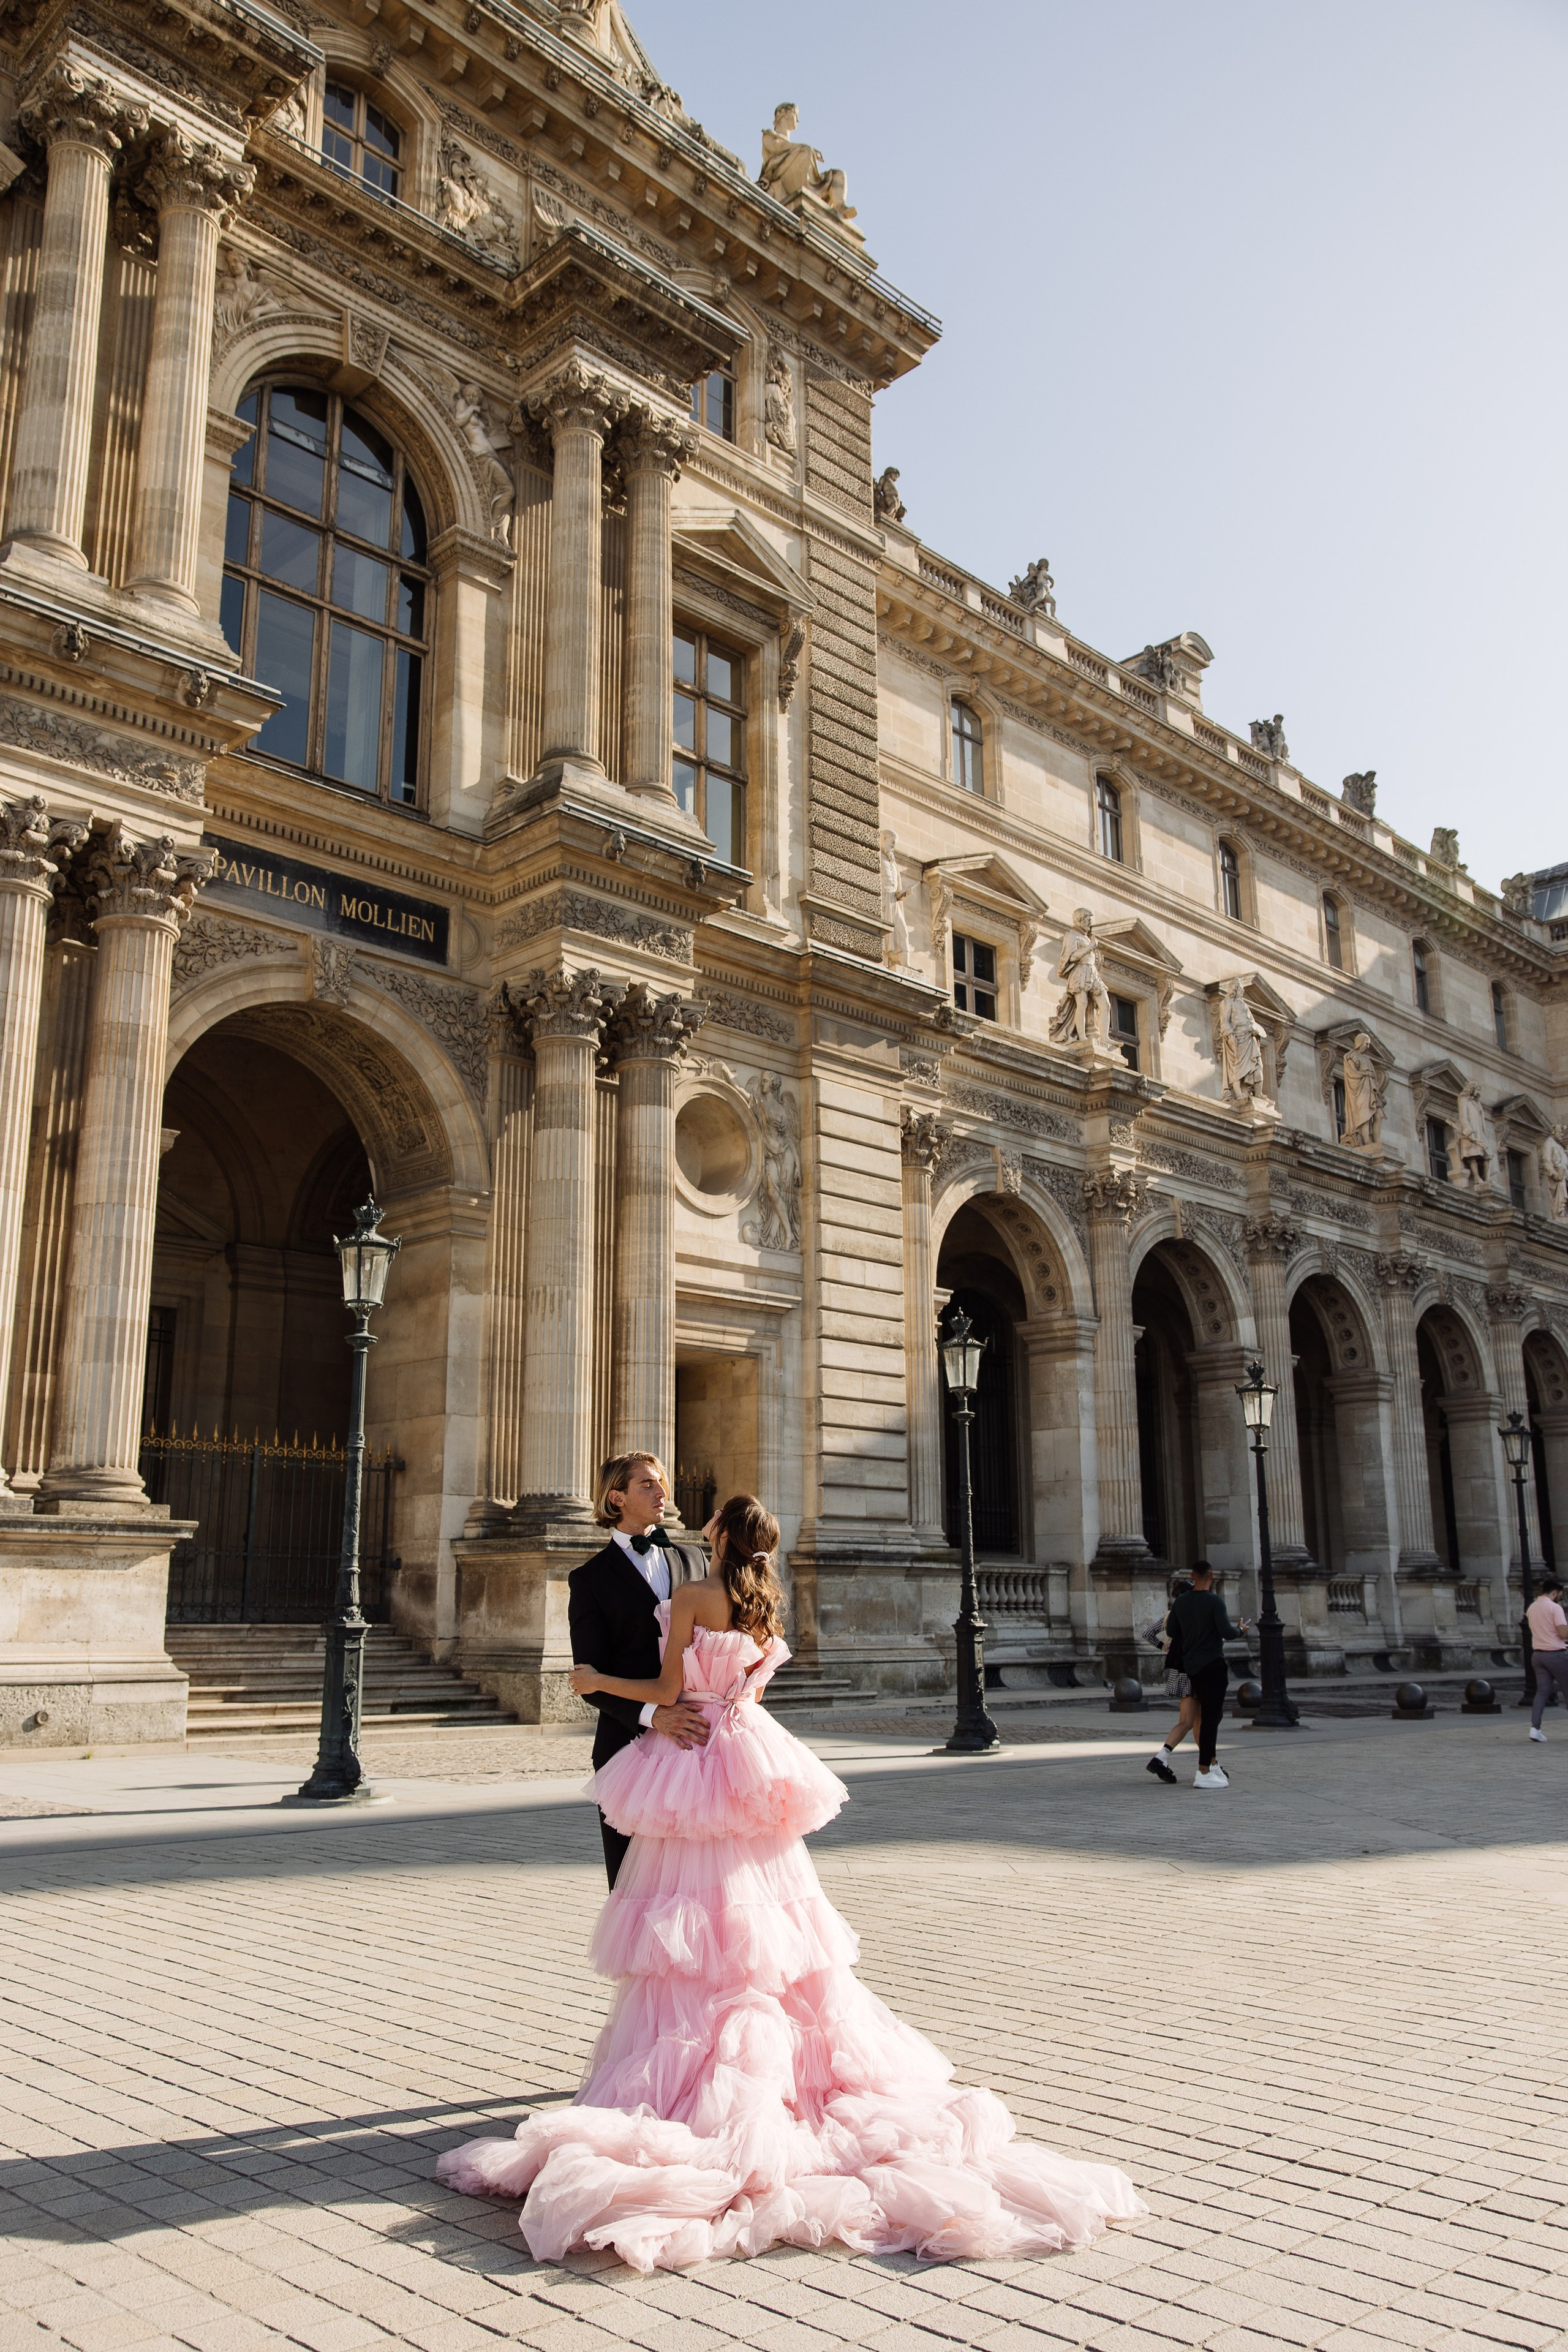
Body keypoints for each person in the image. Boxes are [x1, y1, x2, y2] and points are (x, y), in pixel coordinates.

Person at [438, 1493, 1144, 2272]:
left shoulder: (690, 1595)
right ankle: (781, 2068)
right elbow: (750, 1693)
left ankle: (695, 2070)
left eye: (708, 1519)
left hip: (689, 1761)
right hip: (748, 1758)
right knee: (770, 1916)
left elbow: (672, 1695)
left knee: (688, 1924)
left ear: (717, 1536)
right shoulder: (763, 1601)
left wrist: (592, 1677)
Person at [567, 1452, 710, 1889]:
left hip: (694, 1744)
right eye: (647, 1484)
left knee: (694, 1882)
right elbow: (588, 1680)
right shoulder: (589, 1579)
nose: (661, 1492)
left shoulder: (694, 1561)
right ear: (617, 1498)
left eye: (661, 1482)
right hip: (626, 1747)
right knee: (634, 1886)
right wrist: (653, 1715)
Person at [1159, 1562, 1248, 1789]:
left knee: (1204, 1719)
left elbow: (1171, 1632)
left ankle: (1211, 1768)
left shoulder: (1181, 1601)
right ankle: (1204, 1771)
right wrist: (1241, 1630)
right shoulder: (1215, 1601)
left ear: (1192, 1576)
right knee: (1211, 1718)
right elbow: (1227, 1633)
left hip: (1191, 1666)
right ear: (1211, 1576)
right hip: (1212, 1664)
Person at [1145, 1577, 1196, 1782]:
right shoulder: (1192, 1615)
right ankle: (1210, 1765)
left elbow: (1147, 1633)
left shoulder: (1169, 1616)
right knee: (1192, 1721)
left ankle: (1211, 1764)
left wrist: (1164, 1647)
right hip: (1193, 1670)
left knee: (1191, 1721)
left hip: (1177, 1671)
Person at [1526, 1575, 1568, 1741]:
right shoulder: (1555, 1608)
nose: (1561, 1598)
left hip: (1538, 1655)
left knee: (1542, 1692)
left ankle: (1535, 1729)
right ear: (1555, 1593)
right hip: (1555, 1654)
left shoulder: (1532, 1607)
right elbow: (1563, 1633)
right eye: (1560, 1595)